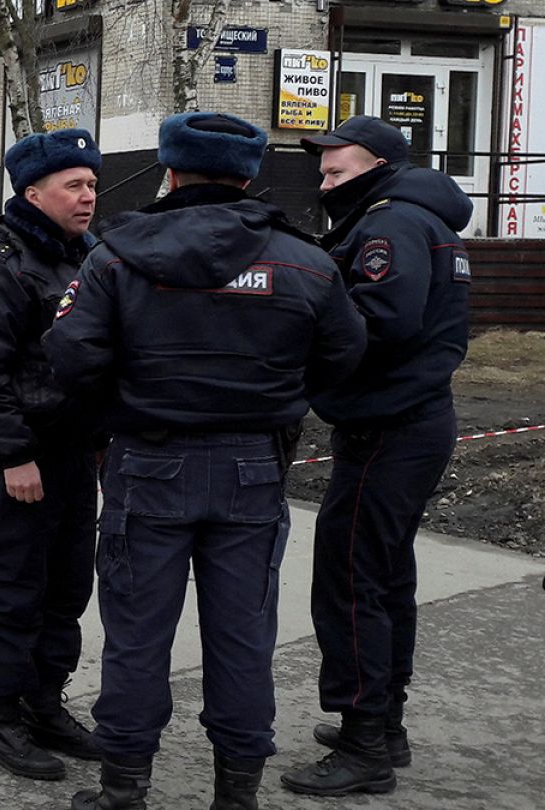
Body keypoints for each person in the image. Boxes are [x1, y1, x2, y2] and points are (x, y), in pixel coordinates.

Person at [44, 112, 366, 810]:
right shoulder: (304, 260)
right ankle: (237, 792)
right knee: (244, 636)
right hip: (252, 467)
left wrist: (122, 408)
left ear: (170, 171)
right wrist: (276, 397)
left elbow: (70, 354)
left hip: (147, 464)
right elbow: (344, 354)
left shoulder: (116, 257)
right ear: (250, 176)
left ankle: (124, 788)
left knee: (136, 635)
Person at [280, 115, 472, 797]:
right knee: (385, 576)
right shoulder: (420, 218)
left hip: (390, 427)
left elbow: (378, 322)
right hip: (412, 421)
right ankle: (384, 722)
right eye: (324, 172)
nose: (325, 182)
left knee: (352, 579)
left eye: (337, 171)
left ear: (379, 166)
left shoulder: (389, 225)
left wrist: (297, 335)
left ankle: (365, 744)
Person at [0, 128, 105, 781]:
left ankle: (44, 705)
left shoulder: (83, 256)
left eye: (92, 183)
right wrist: (12, 455)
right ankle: (0, 722)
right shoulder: (1, 265)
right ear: (33, 192)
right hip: (22, 459)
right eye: (74, 185)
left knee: (66, 588)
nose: (88, 195)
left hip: (72, 455)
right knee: (13, 588)